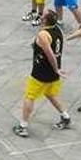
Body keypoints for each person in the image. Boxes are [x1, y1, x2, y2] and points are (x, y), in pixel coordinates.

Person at [13, 10, 70, 138]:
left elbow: (50, 54)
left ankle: (23, 126)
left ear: (44, 20)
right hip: (54, 73)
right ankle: (65, 116)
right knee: (50, 94)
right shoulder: (58, 30)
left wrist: (56, 68)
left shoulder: (43, 35)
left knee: (30, 96)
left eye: (42, 15)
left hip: (42, 72)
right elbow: (56, 47)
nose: (40, 16)